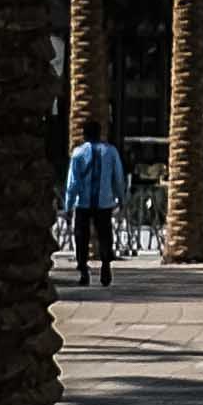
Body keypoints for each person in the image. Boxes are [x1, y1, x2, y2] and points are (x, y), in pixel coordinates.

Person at [61, 119, 130, 289]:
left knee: (81, 238)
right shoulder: (111, 152)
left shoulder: (78, 153)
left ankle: (83, 270)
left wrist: (68, 206)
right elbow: (118, 178)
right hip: (104, 203)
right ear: (100, 133)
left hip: (83, 204)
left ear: (84, 134)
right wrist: (121, 199)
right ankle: (106, 265)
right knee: (105, 236)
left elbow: (73, 183)